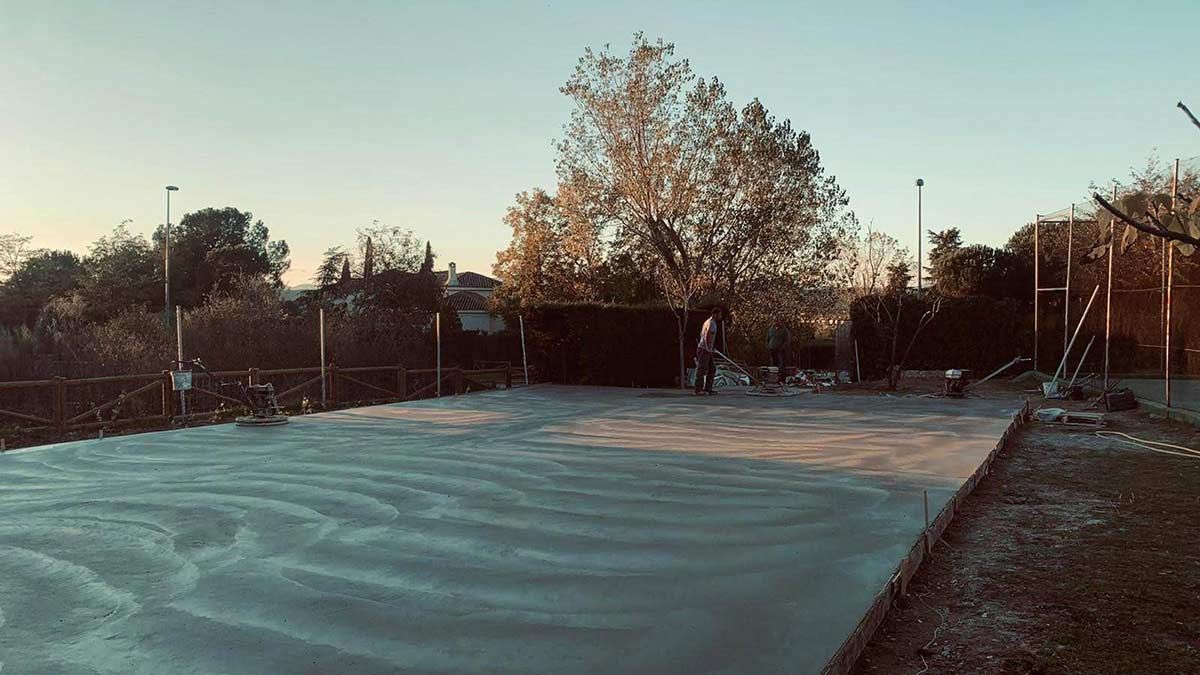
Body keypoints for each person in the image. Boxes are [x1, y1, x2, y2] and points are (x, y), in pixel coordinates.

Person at [694, 307, 723, 395]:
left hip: (706, 349)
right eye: (719, 314)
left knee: (712, 369)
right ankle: (698, 390)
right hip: (704, 349)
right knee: (702, 369)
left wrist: (710, 347)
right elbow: (708, 336)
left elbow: (702, 334)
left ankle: (708, 388)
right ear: (715, 314)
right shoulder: (712, 323)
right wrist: (708, 348)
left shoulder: (707, 322)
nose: (720, 316)